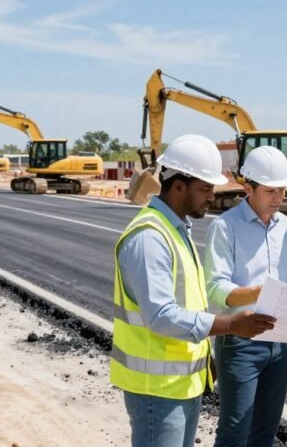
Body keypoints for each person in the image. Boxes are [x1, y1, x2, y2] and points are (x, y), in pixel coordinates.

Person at [112, 134, 277, 447]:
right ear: (178, 186)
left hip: (180, 383)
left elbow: (189, 304)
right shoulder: (150, 238)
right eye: (204, 188)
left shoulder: (176, 230)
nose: (212, 196)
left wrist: (204, 356)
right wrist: (229, 325)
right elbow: (161, 316)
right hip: (155, 390)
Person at [204, 146, 287, 447]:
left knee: (265, 431)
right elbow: (215, 288)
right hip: (240, 344)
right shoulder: (225, 227)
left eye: (283, 191)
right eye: (271, 191)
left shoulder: (285, 227)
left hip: (280, 343)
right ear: (248, 188)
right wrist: (258, 293)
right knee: (235, 431)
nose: (279, 198)